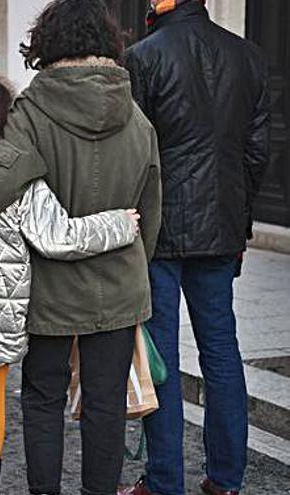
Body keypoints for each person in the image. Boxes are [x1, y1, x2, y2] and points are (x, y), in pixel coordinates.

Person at [0, 1, 162, 493]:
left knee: (43, 397)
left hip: (50, 287)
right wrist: (135, 265)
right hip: (118, 283)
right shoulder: (137, 118)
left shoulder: (32, 111)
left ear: (46, 47)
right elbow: (151, 207)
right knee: (106, 403)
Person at [119, 1, 271, 494]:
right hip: (221, 225)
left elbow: (134, 155)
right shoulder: (247, 55)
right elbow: (256, 153)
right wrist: (240, 227)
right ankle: (226, 479)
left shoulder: (143, 56)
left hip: (161, 230)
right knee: (222, 351)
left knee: (160, 353)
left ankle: (164, 480)